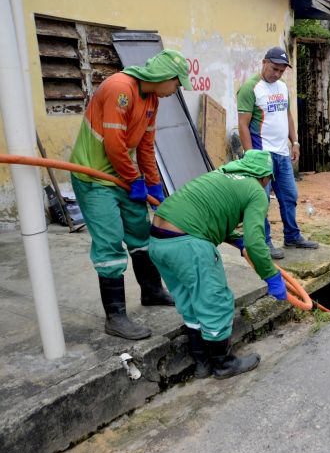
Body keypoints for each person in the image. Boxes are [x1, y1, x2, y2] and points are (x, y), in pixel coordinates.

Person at [70, 49, 191, 340]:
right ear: (165, 77)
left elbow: (146, 147)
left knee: (140, 233)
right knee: (110, 242)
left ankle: (151, 291)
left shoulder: (151, 100)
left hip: (122, 176)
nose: (176, 90)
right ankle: (116, 317)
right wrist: (135, 179)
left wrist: (154, 186)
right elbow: (114, 145)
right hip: (94, 176)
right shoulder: (119, 88)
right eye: (177, 84)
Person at [148, 150, 288, 380]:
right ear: (265, 177)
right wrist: (271, 276)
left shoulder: (220, 176)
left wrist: (234, 237)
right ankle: (223, 364)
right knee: (215, 301)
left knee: (191, 301)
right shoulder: (256, 190)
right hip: (188, 245)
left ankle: (202, 364)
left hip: (157, 242)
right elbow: (256, 242)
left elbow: (211, 213)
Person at [237, 46, 318, 260]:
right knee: (260, 201)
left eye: (282, 71)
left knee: (290, 196)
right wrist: (250, 156)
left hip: (282, 155)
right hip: (262, 156)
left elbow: (288, 116)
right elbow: (243, 125)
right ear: (264, 62)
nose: (277, 74)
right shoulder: (250, 88)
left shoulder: (282, 87)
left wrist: (296, 142)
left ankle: (292, 236)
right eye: (274, 69)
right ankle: (264, 243)